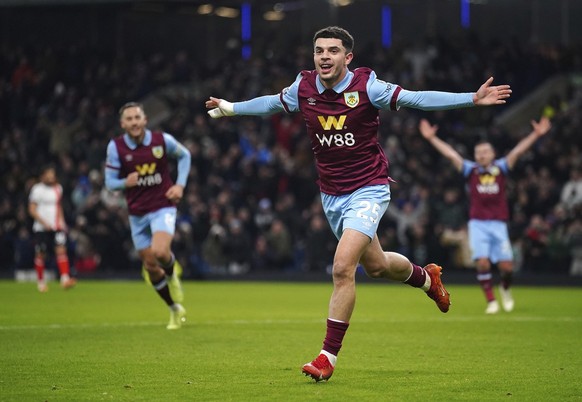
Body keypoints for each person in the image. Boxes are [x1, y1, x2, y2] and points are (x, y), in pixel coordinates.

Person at [205, 26, 512, 382]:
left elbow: (416, 98)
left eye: (332, 51)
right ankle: (427, 278)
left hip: (369, 189)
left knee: (342, 267)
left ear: (347, 57)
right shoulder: (303, 87)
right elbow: (271, 103)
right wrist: (230, 108)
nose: (324, 57)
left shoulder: (367, 87)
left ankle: (326, 357)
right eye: (319, 50)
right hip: (331, 194)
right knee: (378, 266)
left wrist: (469, 99)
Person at [419, 116, 551, 314]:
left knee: (506, 268)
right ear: (475, 155)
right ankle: (491, 300)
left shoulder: (501, 168)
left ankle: (505, 288)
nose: (481, 155)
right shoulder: (471, 170)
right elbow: (452, 155)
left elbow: (518, 151)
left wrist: (536, 134)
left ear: (492, 154)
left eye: (485, 151)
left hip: (498, 224)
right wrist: (431, 139)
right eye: (478, 152)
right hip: (478, 224)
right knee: (482, 263)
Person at [105, 102, 191, 330]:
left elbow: (185, 156)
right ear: (123, 124)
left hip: (163, 205)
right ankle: (174, 309)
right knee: (151, 266)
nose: (134, 122)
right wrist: (125, 182)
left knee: (160, 251)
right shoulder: (116, 148)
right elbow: (109, 183)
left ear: (145, 120)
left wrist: (180, 186)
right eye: (129, 119)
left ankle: (173, 274)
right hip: (137, 213)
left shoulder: (161, 141)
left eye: (137, 118)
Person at [28, 165, 77, 292]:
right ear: (42, 176)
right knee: (41, 254)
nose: (51, 177)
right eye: (48, 174)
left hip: (56, 226)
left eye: (52, 174)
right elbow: (32, 209)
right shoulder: (37, 189)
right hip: (41, 228)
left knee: (61, 250)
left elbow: (58, 206)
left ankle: (65, 279)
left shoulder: (58, 188)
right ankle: (41, 282)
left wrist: (62, 222)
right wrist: (44, 223)